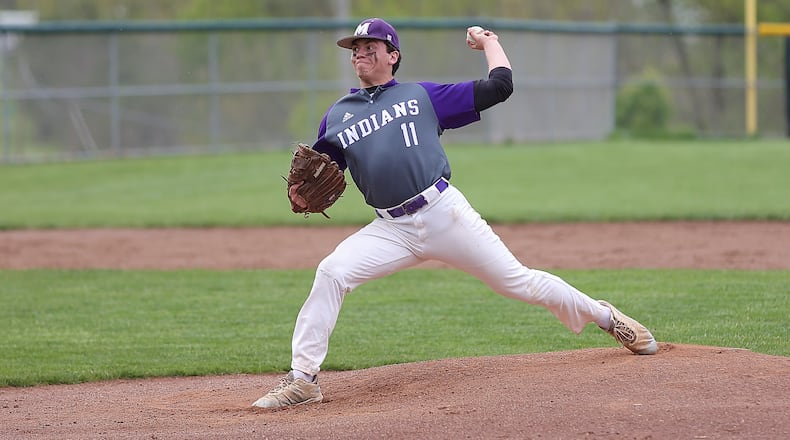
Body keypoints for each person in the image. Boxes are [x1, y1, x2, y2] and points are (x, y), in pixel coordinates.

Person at [252, 18, 657, 409]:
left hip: (445, 212)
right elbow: (324, 170)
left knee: (519, 283)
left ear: (393, 55)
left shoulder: (420, 96)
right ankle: (303, 380)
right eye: (355, 49)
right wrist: (302, 195)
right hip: (390, 228)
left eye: (369, 47)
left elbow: (500, 87)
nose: (359, 53)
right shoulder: (338, 114)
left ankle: (606, 317)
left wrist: (489, 42)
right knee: (332, 272)